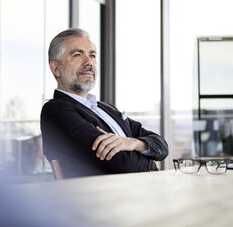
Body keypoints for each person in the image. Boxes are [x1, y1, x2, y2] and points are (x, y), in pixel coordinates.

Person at [41, 28, 168, 178]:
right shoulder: (56, 111)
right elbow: (123, 165)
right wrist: (148, 157)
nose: (88, 62)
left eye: (92, 55)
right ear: (56, 68)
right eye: (77, 55)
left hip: (142, 190)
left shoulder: (106, 109)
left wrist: (132, 143)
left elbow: (162, 146)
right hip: (107, 198)